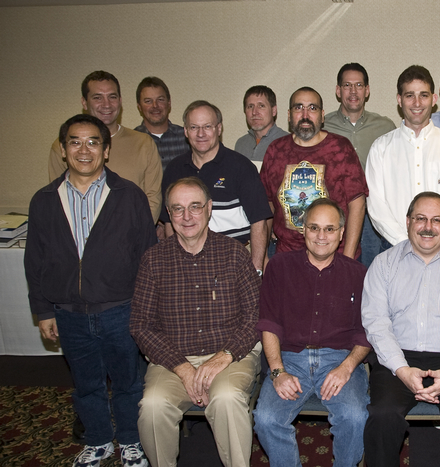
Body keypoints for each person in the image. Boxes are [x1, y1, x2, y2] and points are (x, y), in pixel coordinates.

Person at [26, 114, 155, 467]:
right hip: (68, 314)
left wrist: (146, 311)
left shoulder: (129, 196)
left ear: (106, 150)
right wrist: (44, 310)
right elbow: (34, 261)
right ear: (64, 150)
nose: (84, 150)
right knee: (86, 386)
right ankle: (98, 441)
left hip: (121, 310)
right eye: (75, 142)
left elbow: (147, 257)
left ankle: (130, 440)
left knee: (129, 383)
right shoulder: (44, 200)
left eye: (93, 142)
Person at [131, 177, 261, 467]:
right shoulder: (153, 260)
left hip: (230, 355)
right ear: (168, 212)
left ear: (209, 208)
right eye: (177, 209)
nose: (187, 217)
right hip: (173, 359)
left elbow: (255, 315)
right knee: (152, 407)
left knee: (227, 399)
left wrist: (224, 356)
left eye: (195, 207)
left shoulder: (234, 253)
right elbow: (141, 325)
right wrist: (183, 368)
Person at [361, 192, 440, 467]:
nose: (428, 227)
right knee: (382, 416)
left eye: (436, 220)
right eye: (420, 219)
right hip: (397, 357)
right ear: (408, 222)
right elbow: (376, 323)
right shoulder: (383, 264)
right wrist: (402, 370)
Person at [252, 198, 370, 467]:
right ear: (302, 229)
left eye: (330, 229)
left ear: (341, 233)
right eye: (314, 227)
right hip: (290, 360)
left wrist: (348, 367)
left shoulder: (359, 274)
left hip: (339, 360)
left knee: (354, 417)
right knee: (267, 419)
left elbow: (367, 332)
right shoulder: (279, 267)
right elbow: (268, 324)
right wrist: (278, 371)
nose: (321, 236)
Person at [160, 100, 271, 273]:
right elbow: (169, 224)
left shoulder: (241, 167)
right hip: (188, 265)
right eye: (194, 127)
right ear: (185, 131)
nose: (201, 134)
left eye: (207, 127)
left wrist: (255, 271)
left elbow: (259, 223)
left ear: (219, 129)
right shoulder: (174, 170)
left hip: (234, 263)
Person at [366, 65, 440, 248]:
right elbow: (376, 207)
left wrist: (438, 243)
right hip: (394, 247)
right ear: (399, 100)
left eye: (423, 95)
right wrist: (404, 244)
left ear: (434, 99)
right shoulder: (380, 148)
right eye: (409, 95)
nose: (417, 103)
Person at [260, 86, 367, 259]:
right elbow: (266, 207)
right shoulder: (276, 150)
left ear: (322, 115)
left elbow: (357, 204)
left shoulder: (341, 148)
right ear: (289, 115)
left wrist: (347, 260)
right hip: (287, 258)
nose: (305, 115)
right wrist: (263, 256)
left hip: (335, 256)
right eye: (298, 107)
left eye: (312, 108)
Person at [48, 70, 162, 223]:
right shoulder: (66, 145)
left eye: (112, 97)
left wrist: (132, 236)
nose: (106, 104)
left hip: (132, 239)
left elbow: (153, 199)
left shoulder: (143, 143)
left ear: (120, 101)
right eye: (97, 98)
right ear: (84, 102)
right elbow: (59, 200)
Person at [323, 63, 396, 267]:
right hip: (334, 213)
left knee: (372, 271)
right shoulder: (323, 126)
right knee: (336, 270)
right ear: (338, 91)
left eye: (359, 85)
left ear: (367, 90)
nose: (353, 91)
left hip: (374, 216)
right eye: (347, 85)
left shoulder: (386, 127)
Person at [133, 76, 190, 170]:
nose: (155, 105)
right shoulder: (132, 141)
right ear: (139, 107)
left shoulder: (187, 137)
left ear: (169, 103)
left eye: (160, 100)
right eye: (148, 101)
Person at [234, 85, 289, 162]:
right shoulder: (241, 144)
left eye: (261, 106)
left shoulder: (288, 143)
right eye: (250, 106)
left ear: (274, 111)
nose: (254, 112)